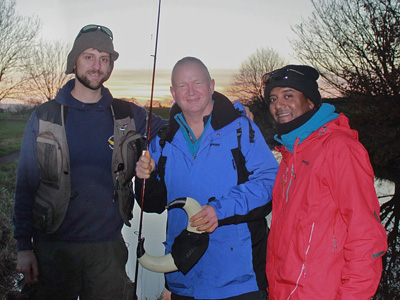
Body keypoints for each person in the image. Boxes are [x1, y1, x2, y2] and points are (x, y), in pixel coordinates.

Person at [13, 24, 166, 300]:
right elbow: (25, 186)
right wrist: (24, 246)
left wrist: (221, 112)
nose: (97, 66)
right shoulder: (44, 117)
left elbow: (176, 129)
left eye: (104, 59)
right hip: (52, 250)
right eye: (89, 57)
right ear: (74, 62)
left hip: (107, 251)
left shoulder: (128, 114)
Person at [135, 56, 279, 300]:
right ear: (173, 92)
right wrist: (143, 178)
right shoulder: (162, 140)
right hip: (184, 273)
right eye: (182, 86)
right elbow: (153, 205)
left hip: (238, 280)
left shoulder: (242, 129)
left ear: (211, 86)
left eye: (197, 83)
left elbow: (268, 184)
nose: (191, 92)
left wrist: (219, 211)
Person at [263, 65, 388, 299]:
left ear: (310, 102)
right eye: (273, 98)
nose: (278, 105)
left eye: (288, 95)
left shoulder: (339, 148)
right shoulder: (290, 155)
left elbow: (366, 236)